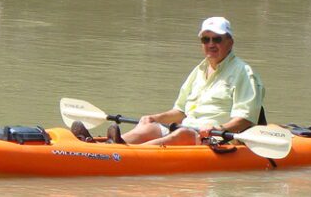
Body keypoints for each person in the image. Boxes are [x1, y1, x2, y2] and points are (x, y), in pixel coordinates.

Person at [72, 16, 265, 146]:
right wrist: (155, 118)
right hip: (187, 129)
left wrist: (218, 128)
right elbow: (180, 112)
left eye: (217, 39)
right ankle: (103, 146)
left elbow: (246, 119)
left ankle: (119, 154)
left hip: (218, 139)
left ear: (230, 42)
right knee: (150, 127)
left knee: (184, 134)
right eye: (206, 39)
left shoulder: (243, 72)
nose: (211, 44)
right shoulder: (198, 71)